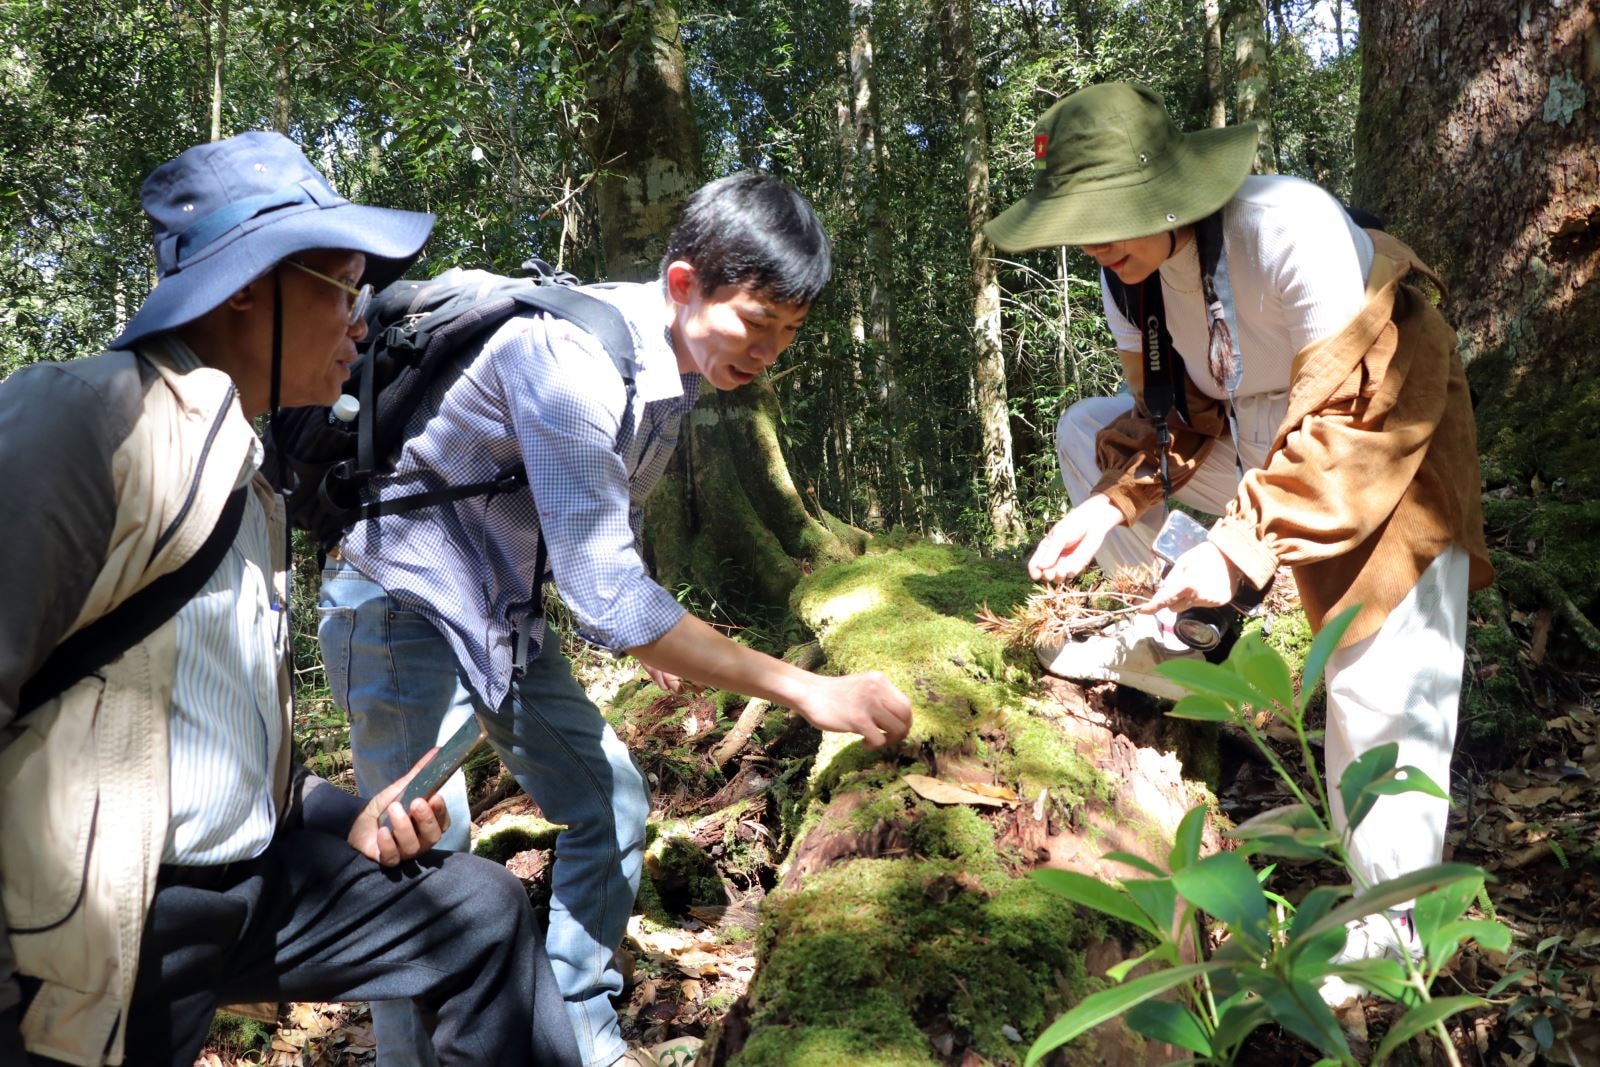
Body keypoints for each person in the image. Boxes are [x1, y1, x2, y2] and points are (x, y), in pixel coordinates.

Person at [0, 131, 581, 1066]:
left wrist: (338, 812)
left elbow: (214, 737)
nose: (364, 318)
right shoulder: (83, 416)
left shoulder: (250, 476)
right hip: (107, 918)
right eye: (344, 287)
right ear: (245, 287)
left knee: (480, 915)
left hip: (247, 890)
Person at [318, 170, 914, 1067]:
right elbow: (607, 597)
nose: (769, 353)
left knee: (609, 798)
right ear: (684, 284)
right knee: (422, 866)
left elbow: (603, 529)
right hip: (400, 608)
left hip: (498, 621)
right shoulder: (567, 360)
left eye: (788, 334)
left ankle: (573, 1034)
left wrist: (659, 634)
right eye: (757, 324)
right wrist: (806, 690)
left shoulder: (664, 372)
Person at [985, 82, 1492, 996]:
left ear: (1173, 187)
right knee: (1079, 429)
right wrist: (1115, 503)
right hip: (1259, 441)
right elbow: (1179, 413)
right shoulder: (1126, 282)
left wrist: (1238, 543)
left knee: (1373, 680)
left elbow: (1355, 417)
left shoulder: (1287, 227)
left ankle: (1395, 933)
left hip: (1381, 447)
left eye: (1115, 218)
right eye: (1083, 226)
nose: (1101, 244)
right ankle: (1174, 655)